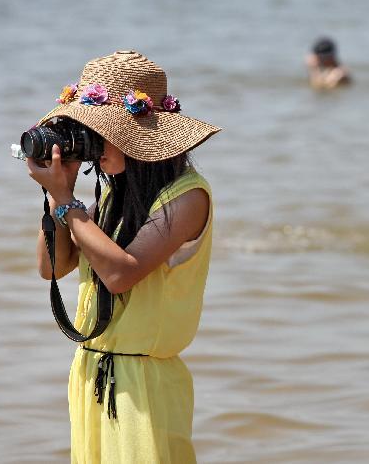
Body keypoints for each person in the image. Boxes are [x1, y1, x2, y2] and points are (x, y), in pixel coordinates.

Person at [25, 50, 222, 462]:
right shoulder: (113, 193)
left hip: (143, 383)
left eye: (99, 132)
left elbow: (119, 275)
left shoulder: (187, 196)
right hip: (90, 371)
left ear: (136, 134)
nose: (92, 146)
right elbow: (52, 267)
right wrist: (56, 195)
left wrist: (66, 200)